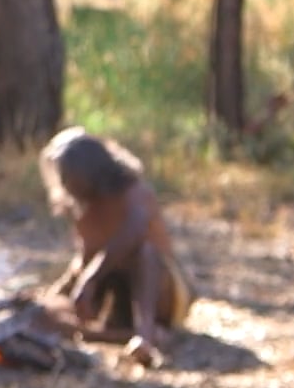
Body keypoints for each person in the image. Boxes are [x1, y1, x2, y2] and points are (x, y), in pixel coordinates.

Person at [36, 126, 196, 367]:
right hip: (112, 301)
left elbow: (131, 235)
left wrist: (89, 279)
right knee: (48, 314)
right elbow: (86, 257)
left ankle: (145, 335)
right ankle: (122, 336)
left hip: (160, 294)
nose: (66, 183)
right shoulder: (84, 208)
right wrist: (60, 291)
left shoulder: (134, 193)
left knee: (145, 254)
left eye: (69, 175)